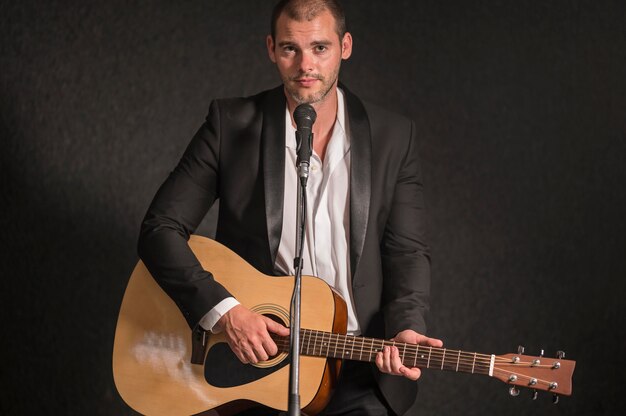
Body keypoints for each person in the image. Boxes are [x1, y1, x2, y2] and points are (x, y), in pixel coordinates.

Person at [138, 0, 443, 414]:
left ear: (345, 46)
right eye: (290, 49)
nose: (305, 65)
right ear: (270, 48)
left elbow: (407, 251)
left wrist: (407, 328)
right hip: (256, 368)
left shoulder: (393, 136)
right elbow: (160, 229)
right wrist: (226, 313)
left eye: (320, 48)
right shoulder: (231, 124)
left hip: (358, 371)